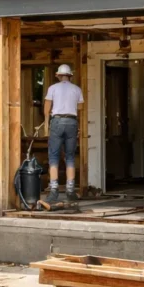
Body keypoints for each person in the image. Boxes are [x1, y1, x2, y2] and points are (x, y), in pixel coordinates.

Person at [43, 64, 84, 203]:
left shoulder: (53, 88)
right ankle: (70, 190)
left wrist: (47, 122)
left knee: (53, 156)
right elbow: (80, 107)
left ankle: (54, 190)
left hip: (57, 121)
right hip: (72, 121)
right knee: (70, 157)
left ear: (58, 75)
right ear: (70, 76)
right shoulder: (77, 89)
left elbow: (47, 108)